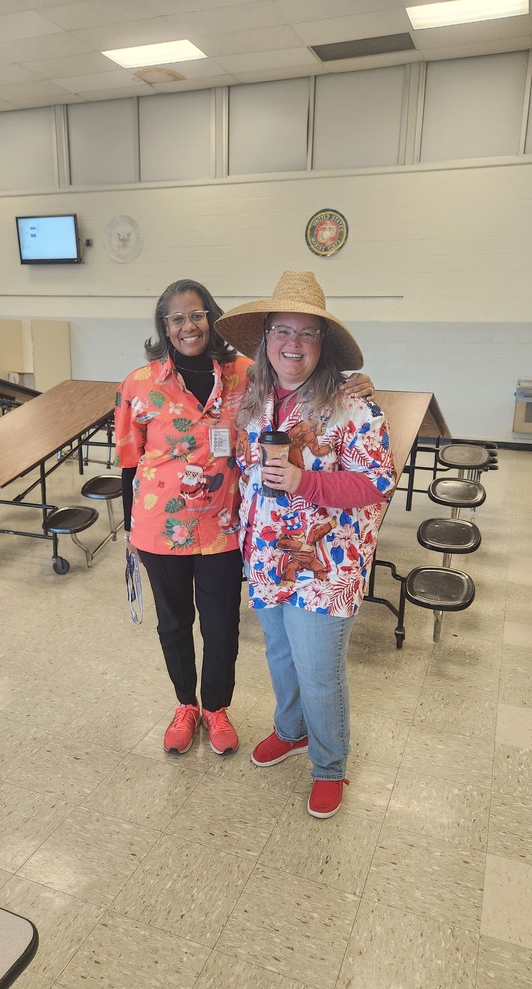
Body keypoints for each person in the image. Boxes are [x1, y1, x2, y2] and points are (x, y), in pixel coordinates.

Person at [114, 277, 374, 759]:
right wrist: (130, 527)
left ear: (211, 317)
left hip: (225, 529)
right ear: (164, 327)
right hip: (160, 528)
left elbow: (306, 377)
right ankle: (184, 705)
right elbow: (129, 460)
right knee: (174, 624)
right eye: (176, 318)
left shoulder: (246, 374)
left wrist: (353, 383)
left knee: (220, 626)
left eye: (196, 314)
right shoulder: (138, 383)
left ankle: (216, 708)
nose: (188, 326)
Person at [214, 271, 396, 817]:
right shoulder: (255, 398)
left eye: (307, 333)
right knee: (280, 653)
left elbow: (374, 483)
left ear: (323, 344)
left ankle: (329, 763)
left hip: (326, 563)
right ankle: (290, 729)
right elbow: (244, 465)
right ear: (266, 340)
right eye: (282, 331)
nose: (293, 344)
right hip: (268, 556)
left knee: (320, 669)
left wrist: (304, 481)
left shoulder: (351, 404)